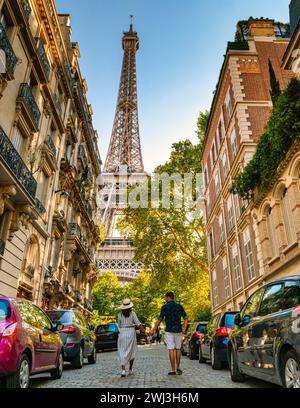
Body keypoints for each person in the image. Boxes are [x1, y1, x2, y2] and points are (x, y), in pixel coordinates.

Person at [154, 291, 188, 376]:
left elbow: (160, 319)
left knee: (171, 349)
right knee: (178, 349)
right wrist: (184, 328)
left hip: (169, 331)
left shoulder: (164, 307)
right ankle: (178, 367)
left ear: (168, 297)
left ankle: (173, 370)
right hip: (178, 330)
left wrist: (154, 329)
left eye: (165, 297)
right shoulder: (179, 306)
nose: (165, 299)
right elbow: (186, 318)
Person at [117, 298, 145, 377]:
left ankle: (123, 370)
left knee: (122, 351)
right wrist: (144, 331)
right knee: (132, 351)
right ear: (130, 307)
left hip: (122, 333)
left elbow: (119, 325)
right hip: (131, 333)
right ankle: (130, 369)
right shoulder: (133, 314)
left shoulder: (119, 315)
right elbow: (138, 324)